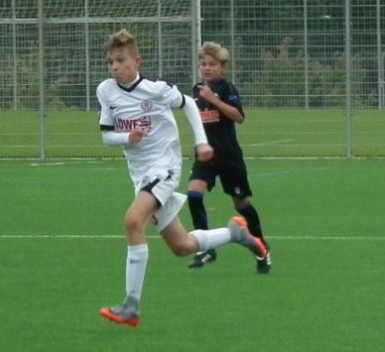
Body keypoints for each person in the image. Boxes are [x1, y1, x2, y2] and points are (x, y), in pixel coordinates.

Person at [97, 29, 268, 328]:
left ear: (137, 61)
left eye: (121, 60)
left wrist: (201, 142)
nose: (115, 67)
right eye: (110, 61)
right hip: (141, 176)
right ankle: (235, 233)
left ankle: (131, 306)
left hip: (164, 167)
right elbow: (107, 136)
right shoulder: (106, 91)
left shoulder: (156, 89)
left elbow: (188, 103)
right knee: (183, 246)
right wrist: (127, 137)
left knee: (133, 221)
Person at [186, 42, 272, 274]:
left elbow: (239, 116)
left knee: (241, 204)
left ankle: (262, 248)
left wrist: (214, 100)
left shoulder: (226, 88)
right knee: (193, 195)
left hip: (229, 157)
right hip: (206, 155)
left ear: (222, 67)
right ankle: (206, 248)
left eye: (212, 64)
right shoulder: (196, 90)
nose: (206, 68)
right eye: (203, 64)